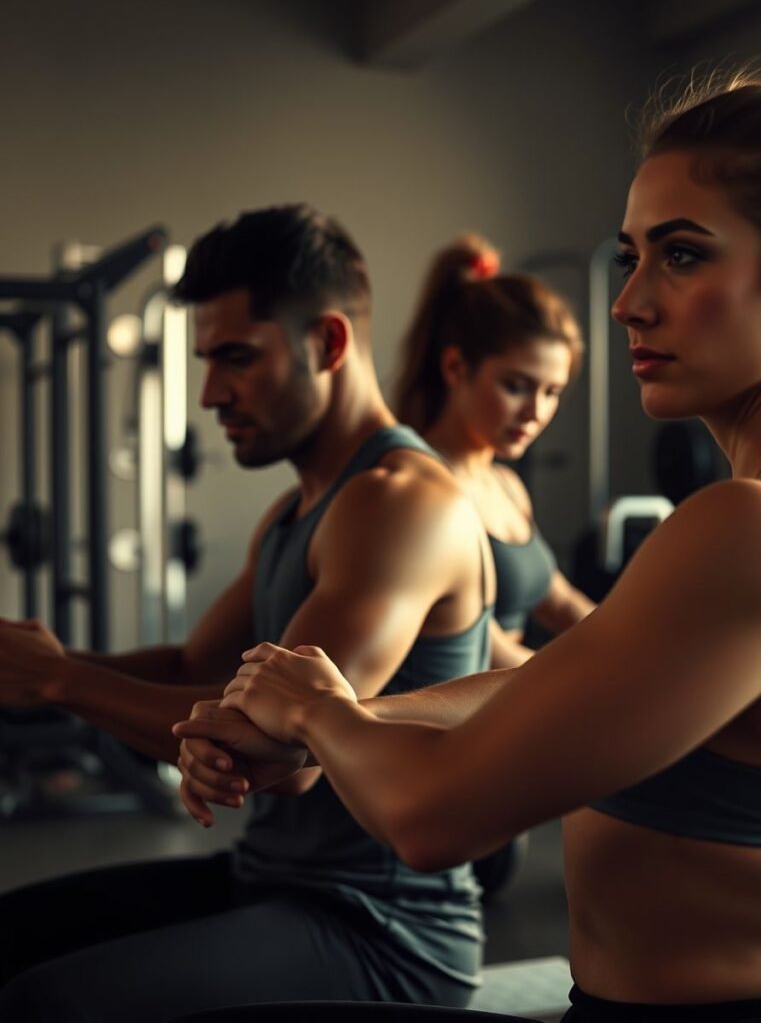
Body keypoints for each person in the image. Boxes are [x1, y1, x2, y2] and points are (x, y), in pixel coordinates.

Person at [175, 59, 761, 1022]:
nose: (629, 302)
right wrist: (364, 716)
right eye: (631, 256)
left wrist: (315, 715)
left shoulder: (753, 527)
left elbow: (431, 820)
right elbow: (573, 684)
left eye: (681, 255)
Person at [0, 205, 495, 1021]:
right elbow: (197, 672)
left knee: (45, 1005)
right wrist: (39, 665)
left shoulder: (400, 504)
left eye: (236, 358)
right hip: (271, 882)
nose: (209, 394)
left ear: (328, 344)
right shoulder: (297, 508)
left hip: (383, 930)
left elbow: (283, 747)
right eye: (207, 361)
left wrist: (58, 684)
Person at [394, 235, 594, 668]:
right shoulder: (424, 492)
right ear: (455, 368)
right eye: (516, 386)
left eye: (552, 392)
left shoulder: (505, 484)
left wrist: (638, 646)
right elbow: (485, 649)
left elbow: (558, 600)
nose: (536, 412)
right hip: (462, 720)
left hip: (512, 699)